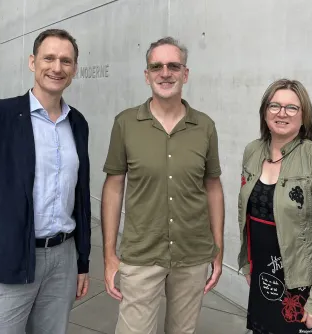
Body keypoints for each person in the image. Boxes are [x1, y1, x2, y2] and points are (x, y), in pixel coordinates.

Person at [0, 28, 91, 334]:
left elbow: (80, 199)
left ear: (74, 69)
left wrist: (82, 262)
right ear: (33, 62)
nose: (57, 67)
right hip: (10, 260)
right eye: (49, 58)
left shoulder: (77, 124)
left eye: (66, 61)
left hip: (63, 260)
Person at [101, 37, 225, 334]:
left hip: (192, 254)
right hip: (142, 253)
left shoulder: (205, 126)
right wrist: (108, 255)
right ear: (147, 75)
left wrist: (217, 249)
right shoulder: (126, 123)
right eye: (156, 66)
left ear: (185, 73)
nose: (165, 72)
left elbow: (213, 187)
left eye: (173, 65)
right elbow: (114, 186)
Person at [237, 79, 312, 333]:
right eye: (274, 105)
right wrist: (248, 262)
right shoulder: (252, 152)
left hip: (301, 283)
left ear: (304, 116)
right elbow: (247, 215)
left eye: (291, 108)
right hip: (263, 273)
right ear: (264, 112)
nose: (282, 113)